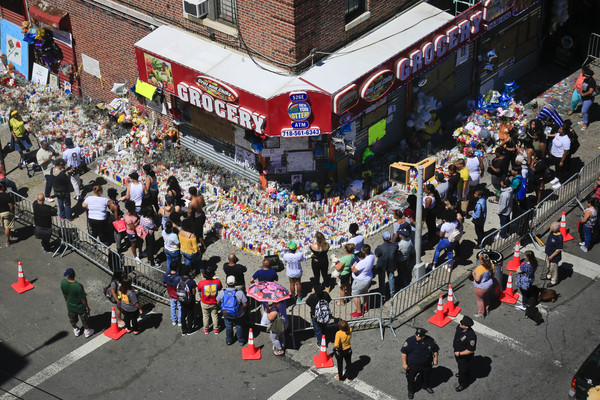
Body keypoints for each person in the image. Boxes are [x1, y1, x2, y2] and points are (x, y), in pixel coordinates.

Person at [401, 327, 439, 399]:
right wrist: (404, 364)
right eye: (416, 335)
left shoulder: (430, 341)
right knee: (410, 379)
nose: (417, 337)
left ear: (423, 336)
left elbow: (435, 350)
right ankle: (411, 390)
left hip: (426, 365)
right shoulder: (410, 341)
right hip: (412, 366)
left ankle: (425, 386)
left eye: (419, 336)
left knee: (426, 377)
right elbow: (404, 353)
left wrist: (435, 359)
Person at [61, 268, 94, 338]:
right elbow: (83, 298)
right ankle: (87, 331)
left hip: (70, 306)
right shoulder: (78, 286)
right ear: (74, 275)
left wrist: (67, 301)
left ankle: (76, 329)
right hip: (80, 307)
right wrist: (87, 306)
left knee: (72, 320)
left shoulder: (63, 282)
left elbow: (64, 294)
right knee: (84, 320)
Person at [216, 275, 247, 345]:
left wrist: (222, 307)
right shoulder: (240, 292)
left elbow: (217, 302)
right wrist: (242, 309)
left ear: (226, 282)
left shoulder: (222, 292)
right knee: (239, 326)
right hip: (238, 313)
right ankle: (241, 341)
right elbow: (245, 304)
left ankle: (229, 340)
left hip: (225, 312)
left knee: (228, 326)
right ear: (235, 282)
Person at [453, 315, 477, 392]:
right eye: (461, 322)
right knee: (461, 366)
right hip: (457, 352)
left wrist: (459, 354)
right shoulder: (459, 327)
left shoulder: (471, 337)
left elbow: (470, 350)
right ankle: (464, 373)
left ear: (467, 327)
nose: (460, 323)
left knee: (462, 369)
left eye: (462, 323)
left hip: (464, 356)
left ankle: (462, 383)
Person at [197, 265, 222, 335]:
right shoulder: (217, 281)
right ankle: (216, 329)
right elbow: (220, 288)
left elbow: (199, 289)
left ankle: (206, 329)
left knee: (205, 316)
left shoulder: (201, 283)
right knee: (215, 316)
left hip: (204, 302)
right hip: (214, 302)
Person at [350, 245, 374, 318]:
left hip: (360, 280)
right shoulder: (372, 255)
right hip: (368, 277)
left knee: (355, 294)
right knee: (365, 291)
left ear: (363, 251)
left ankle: (359, 312)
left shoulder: (363, 261)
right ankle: (365, 306)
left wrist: (353, 266)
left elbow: (354, 270)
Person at [374, 231, 399, 298]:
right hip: (391, 264)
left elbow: (376, 254)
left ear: (383, 238)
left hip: (382, 265)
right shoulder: (395, 246)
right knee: (391, 278)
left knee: (382, 279)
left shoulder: (380, 248)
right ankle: (392, 292)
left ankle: (382, 293)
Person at [549, 124, 571, 190]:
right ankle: (557, 177)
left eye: (561, 129)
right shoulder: (558, 134)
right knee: (556, 167)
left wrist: (562, 161)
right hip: (554, 155)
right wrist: (551, 150)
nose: (559, 129)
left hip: (560, 157)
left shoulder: (566, 140)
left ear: (564, 131)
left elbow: (566, 151)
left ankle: (561, 183)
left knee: (560, 170)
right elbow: (554, 142)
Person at [472, 252, 494, 318]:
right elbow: (493, 273)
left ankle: (481, 314)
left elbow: (477, 279)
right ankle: (486, 308)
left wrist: (473, 273)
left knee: (480, 300)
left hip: (480, 287)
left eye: (480, 258)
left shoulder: (479, 269)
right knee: (486, 297)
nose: (479, 259)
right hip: (489, 285)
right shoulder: (491, 265)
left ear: (482, 262)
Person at [177, 265, 197, 335]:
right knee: (190, 315)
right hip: (190, 301)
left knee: (183, 315)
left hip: (182, 300)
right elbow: (194, 292)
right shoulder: (192, 282)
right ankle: (190, 330)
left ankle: (183, 330)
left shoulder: (179, 280)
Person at [543, 222, 562, 287]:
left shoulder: (559, 238)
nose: (550, 228)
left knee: (554, 269)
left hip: (554, 257)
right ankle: (549, 275)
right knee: (548, 266)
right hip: (549, 254)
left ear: (555, 229)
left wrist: (551, 256)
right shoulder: (552, 233)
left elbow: (558, 250)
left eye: (551, 227)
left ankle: (554, 281)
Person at [187, 186, 207, 251]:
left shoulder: (192, 203)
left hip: (197, 217)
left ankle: (203, 246)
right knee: (200, 229)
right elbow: (204, 204)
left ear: (190, 193)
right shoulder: (201, 197)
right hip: (202, 214)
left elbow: (189, 214)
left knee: (198, 233)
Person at [580, 66, 597, 131]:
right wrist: (581, 92)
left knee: (583, 111)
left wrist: (583, 94)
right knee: (585, 110)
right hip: (583, 97)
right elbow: (582, 86)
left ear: (590, 76)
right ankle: (584, 120)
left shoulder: (592, 82)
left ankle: (586, 123)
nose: (585, 77)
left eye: (586, 76)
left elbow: (590, 91)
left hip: (588, 99)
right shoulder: (586, 79)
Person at [0, 183, 15, 247]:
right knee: (7, 227)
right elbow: (11, 205)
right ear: (3, 188)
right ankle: (7, 241)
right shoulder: (7, 196)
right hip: (6, 213)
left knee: (3, 225)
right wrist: (12, 212)